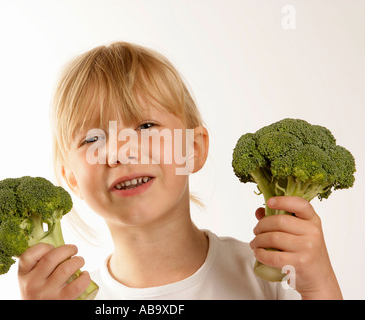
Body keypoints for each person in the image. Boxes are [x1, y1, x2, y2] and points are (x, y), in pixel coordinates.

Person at [17, 41, 342, 300]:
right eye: (93, 139)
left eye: (145, 125)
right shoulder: (71, 297)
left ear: (194, 148)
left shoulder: (274, 275)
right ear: (71, 178)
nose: (119, 151)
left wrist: (318, 284)